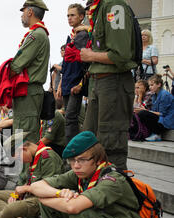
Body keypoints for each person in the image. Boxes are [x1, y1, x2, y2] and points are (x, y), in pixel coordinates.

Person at [80, 0, 137, 171]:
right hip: (101, 82)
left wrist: (91, 56)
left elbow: (121, 55)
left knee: (111, 145)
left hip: (114, 83)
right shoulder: (101, 7)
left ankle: (114, 191)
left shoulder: (114, 6)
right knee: (90, 140)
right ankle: (93, 191)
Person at [0, 132, 63, 218]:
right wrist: (15, 195)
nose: (20, 160)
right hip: (26, 195)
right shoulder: (32, 158)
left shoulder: (48, 158)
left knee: (12, 207)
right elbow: (22, 182)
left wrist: (25, 189)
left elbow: (50, 188)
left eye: (18, 157)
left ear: (24, 149)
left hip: (41, 199)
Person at [11, 0, 50, 145]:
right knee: (23, 133)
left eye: (23, 11)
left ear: (30, 12)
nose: (22, 15)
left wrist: (4, 84)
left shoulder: (36, 35)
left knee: (24, 138)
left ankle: (25, 169)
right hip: (29, 91)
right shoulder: (38, 33)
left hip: (28, 91)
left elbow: (17, 64)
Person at [59, 3, 90, 143]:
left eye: (72, 15)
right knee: (68, 116)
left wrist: (81, 83)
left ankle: (72, 152)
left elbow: (86, 62)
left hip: (76, 82)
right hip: (66, 81)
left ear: (81, 16)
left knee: (71, 117)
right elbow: (66, 63)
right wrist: (60, 84)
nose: (69, 18)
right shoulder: (71, 35)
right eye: (68, 16)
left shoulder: (83, 35)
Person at [137, 74, 174, 141]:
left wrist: (146, 111)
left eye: (152, 85)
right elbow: (154, 111)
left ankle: (157, 133)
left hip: (167, 122)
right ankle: (153, 133)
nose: (150, 87)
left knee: (142, 113)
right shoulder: (154, 95)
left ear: (159, 85)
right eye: (149, 85)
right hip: (161, 119)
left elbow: (162, 114)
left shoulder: (164, 95)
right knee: (140, 113)